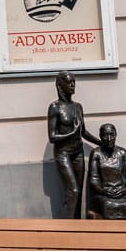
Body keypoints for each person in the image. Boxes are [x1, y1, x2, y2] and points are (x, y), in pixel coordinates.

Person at [47, 71, 99, 218]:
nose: (72, 85)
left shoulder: (78, 107)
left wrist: (100, 142)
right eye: (69, 82)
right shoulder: (55, 107)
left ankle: (77, 227)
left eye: (74, 82)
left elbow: (84, 132)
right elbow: (52, 137)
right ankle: (66, 229)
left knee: (79, 192)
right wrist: (72, 133)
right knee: (73, 190)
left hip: (78, 153)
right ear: (60, 85)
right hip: (63, 154)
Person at [86, 122, 126, 219]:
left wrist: (123, 191)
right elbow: (93, 181)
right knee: (108, 205)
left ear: (115, 135)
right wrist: (105, 192)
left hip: (123, 193)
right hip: (103, 194)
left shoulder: (123, 153)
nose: (109, 139)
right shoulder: (96, 153)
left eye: (111, 135)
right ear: (100, 136)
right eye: (105, 135)